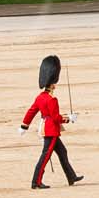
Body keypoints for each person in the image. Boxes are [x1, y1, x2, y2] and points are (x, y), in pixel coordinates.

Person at [20, 55, 81, 189]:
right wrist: (69, 118)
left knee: (63, 152)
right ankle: (36, 181)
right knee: (45, 156)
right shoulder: (52, 99)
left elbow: (31, 111)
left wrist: (24, 126)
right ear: (52, 84)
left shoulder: (40, 97)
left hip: (46, 128)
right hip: (51, 130)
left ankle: (71, 176)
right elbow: (55, 118)